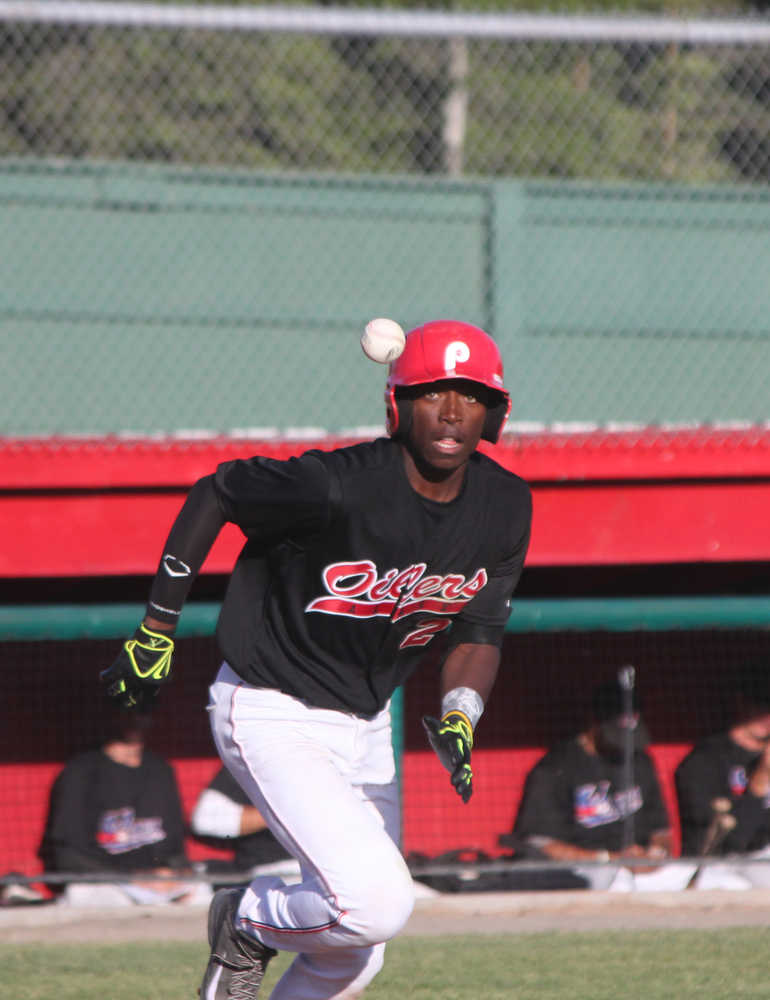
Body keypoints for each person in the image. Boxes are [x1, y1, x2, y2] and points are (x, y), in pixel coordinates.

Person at [99, 319, 532, 1000]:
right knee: (375, 904)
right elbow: (217, 491)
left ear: (495, 412)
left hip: (365, 723)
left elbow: (479, 627)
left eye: (471, 395)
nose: (452, 412)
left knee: (358, 951)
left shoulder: (505, 505)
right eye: (432, 393)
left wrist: (460, 712)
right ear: (397, 404)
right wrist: (158, 627)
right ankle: (244, 920)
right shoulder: (338, 483)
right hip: (273, 706)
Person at [511, 676, 694, 892]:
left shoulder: (640, 760)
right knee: (617, 884)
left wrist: (655, 855)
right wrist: (611, 859)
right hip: (586, 869)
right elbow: (540, 842)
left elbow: (661, 831)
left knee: (701, 877)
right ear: (594, 722)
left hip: (640, 867)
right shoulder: (555, 768)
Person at [39, 709, 211, 906]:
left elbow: (174, 847)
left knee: (202, 892)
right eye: (127, 711)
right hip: (109, 882)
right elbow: (69, 856)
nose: (136, 718)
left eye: (142, 711)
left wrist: (174, 872)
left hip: (158, 883)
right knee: (86, 895)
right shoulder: (80, 773)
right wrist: (130, 877)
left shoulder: (160, 771)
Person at [675, 659, 770, 890]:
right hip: (724, 862)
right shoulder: (705, 761)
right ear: (740, 702)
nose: (766, 715)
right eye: (760, 704)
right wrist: (760, 779)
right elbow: (728, 842)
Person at [191, 766, 301, 881]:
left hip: (316, 866)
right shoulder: (260, 760)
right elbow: (205, 820)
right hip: (273, 871)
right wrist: (286, 813)